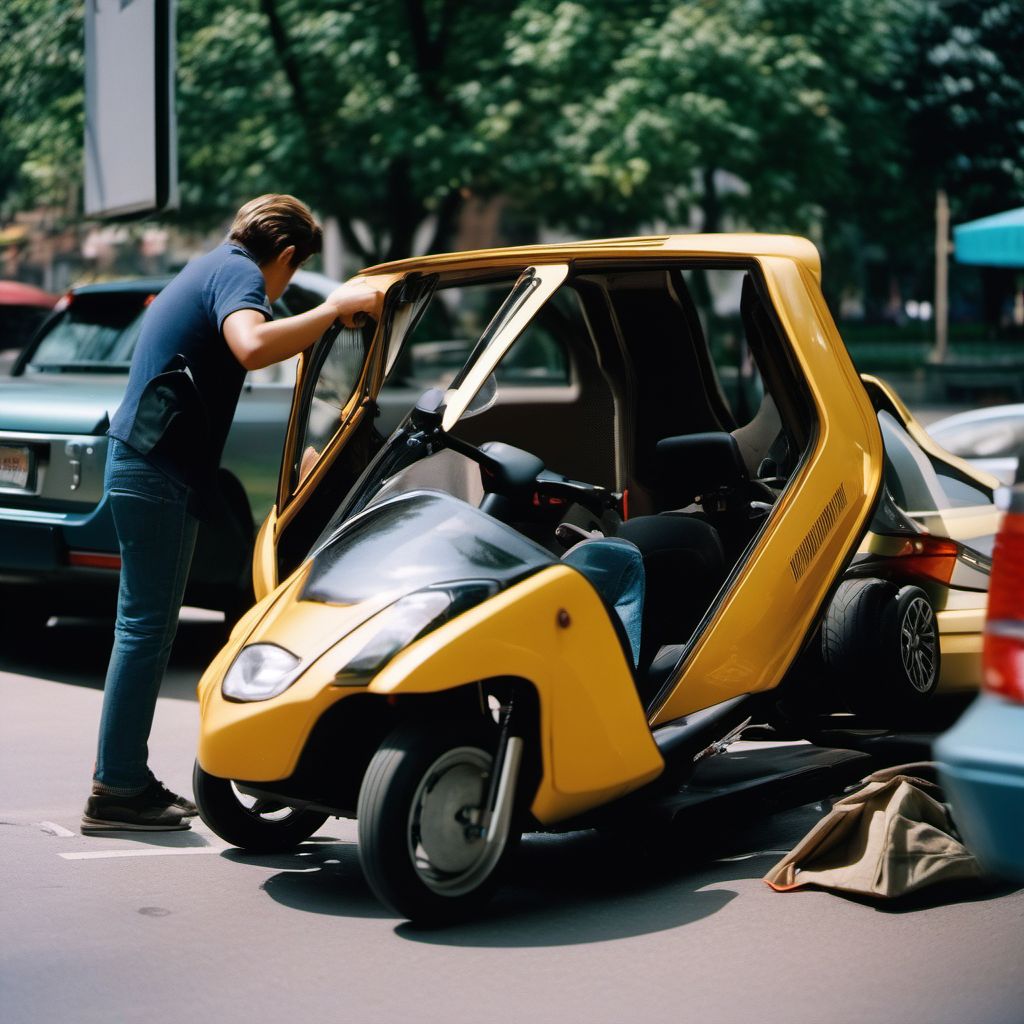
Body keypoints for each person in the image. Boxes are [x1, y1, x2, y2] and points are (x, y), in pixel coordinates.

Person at [82, 194, 373, 833]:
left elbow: (267, 338)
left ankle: (121, 778)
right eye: (291, 277)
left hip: (145, 461)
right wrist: (330, 310)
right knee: (144, 630)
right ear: (288, 256)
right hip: (154, 467)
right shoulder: (241, 272)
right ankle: (118, 787)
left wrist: (323, 322)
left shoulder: (214, 264)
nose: (282, 288)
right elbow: (249, 345)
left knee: (141, 627)